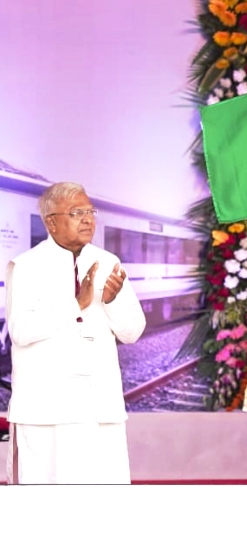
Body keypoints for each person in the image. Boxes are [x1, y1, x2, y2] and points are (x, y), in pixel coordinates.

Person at [5, 182, 146, 484]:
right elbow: (19, 331)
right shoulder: (27, 266)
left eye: (90, 211)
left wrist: (110, 302)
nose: (87, 219)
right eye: (76, 212)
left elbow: (132, 332)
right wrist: (76, 305)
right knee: (45, 505)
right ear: (51, 222)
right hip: (46, 410)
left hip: (99, 407)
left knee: (103, 502)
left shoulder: (109, 263)